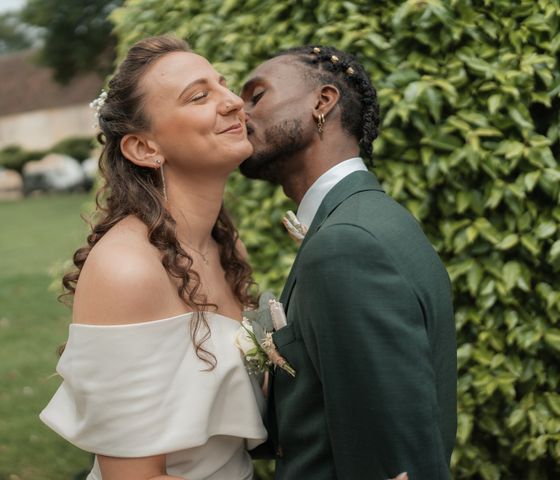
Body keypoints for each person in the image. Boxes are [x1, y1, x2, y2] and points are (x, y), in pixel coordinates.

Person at [39, 36, 268, 480]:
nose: (232, 102)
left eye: (223, 84)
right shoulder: (127, 270)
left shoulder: (225, 247)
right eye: (199, 96)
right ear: (145, 149)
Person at [239, 46, 457, 479]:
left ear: (322, 102)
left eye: (255, 96)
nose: (236, 110)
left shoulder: (346, 245)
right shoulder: (363, 219)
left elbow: (390, 462)